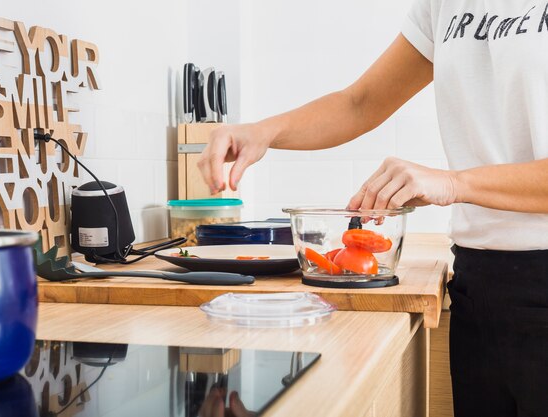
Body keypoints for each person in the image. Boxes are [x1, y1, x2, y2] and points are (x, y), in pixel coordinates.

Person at [197, 1, 548, 416]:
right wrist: (262, 131)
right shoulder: (444, 5)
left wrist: (453, 183)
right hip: (480, 283)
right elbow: (360, 102)